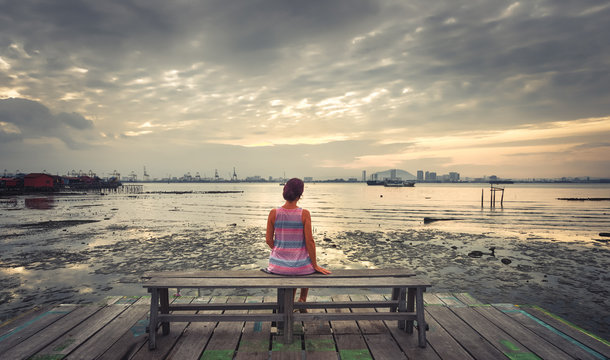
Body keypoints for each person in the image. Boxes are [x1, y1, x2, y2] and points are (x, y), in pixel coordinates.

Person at [266, 178, 331, 306]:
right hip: (301, 267)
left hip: (278, 266)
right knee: (305, 261)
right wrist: (316, 265)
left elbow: (268, 240)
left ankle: (290, 302)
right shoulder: (304, 214)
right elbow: (310, 242)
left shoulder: (274, 213)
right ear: (300, 195)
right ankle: (302, 299)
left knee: (296, 264)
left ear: (285, 191)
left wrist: (279, 251)